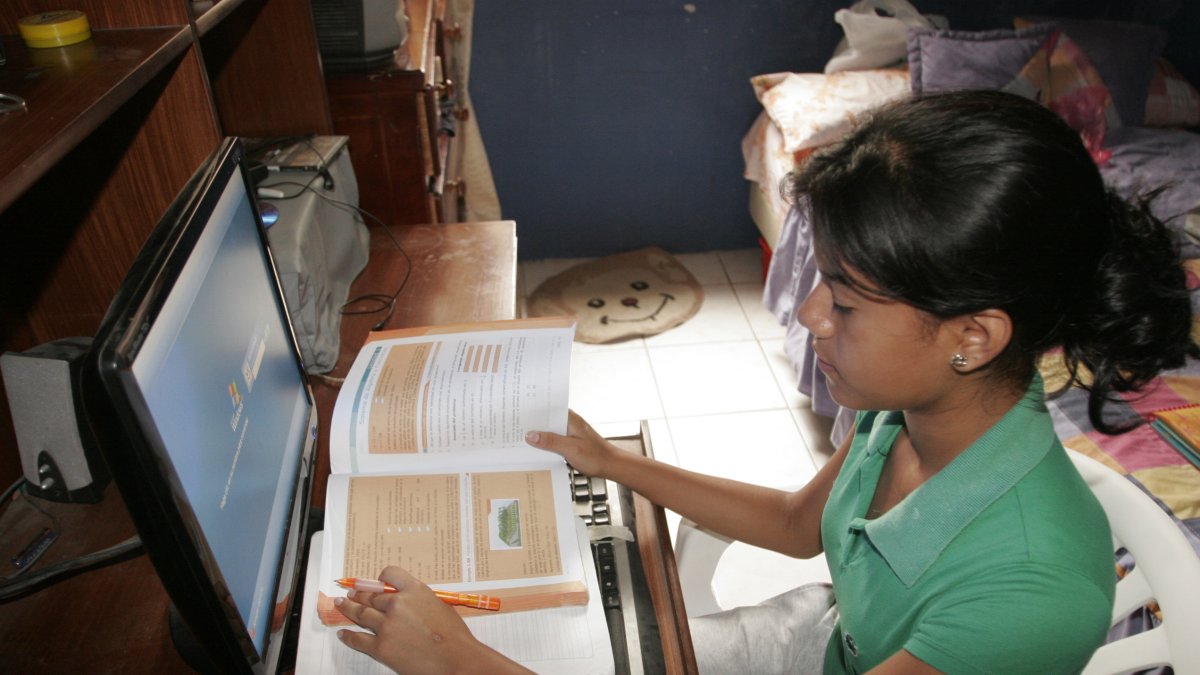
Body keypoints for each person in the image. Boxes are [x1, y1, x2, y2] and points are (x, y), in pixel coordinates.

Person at [333, 90, 1198, 674]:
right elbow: (796, 525)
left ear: (971, 336)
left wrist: (461, 662)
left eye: (848, 301)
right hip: (827, 638)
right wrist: (612, 462)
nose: (812, 313)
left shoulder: (1027, 589)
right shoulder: (914, 407)